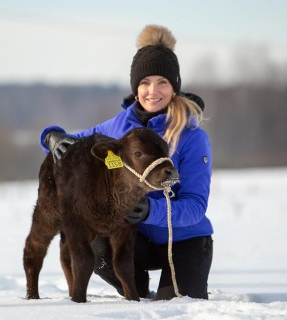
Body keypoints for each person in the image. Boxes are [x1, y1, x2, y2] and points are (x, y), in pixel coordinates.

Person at [40, 24, 213, 300]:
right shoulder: (119, 128)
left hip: (184, 239)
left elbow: (195, 205)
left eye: (162, 82)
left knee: (179, 302)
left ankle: (177, 282)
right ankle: (135, 285)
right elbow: (74, 142)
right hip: (135, 242)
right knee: (99, 245)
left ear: (174, 86)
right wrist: (51, 137)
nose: (152, 91)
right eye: (144, 83)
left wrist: (149, 210)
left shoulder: (192, 136)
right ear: (135, 87)